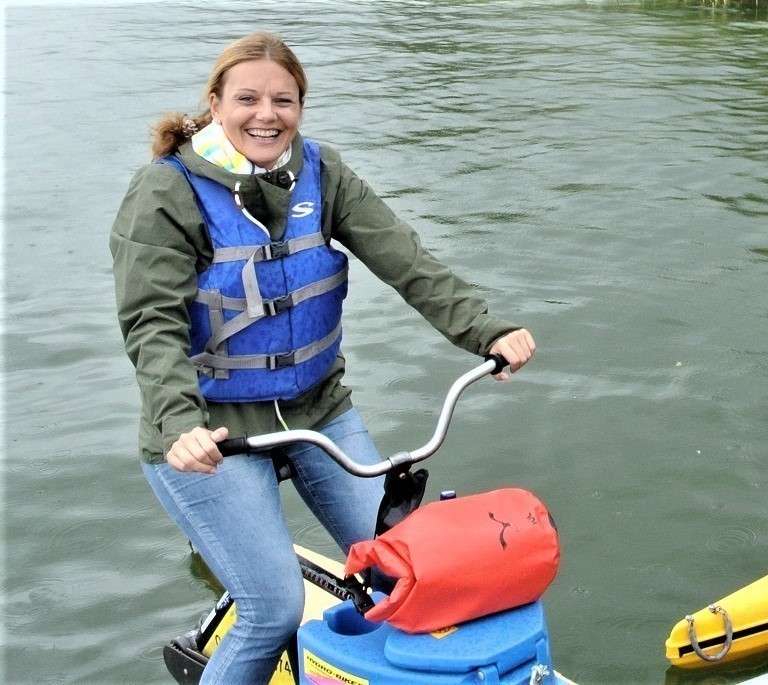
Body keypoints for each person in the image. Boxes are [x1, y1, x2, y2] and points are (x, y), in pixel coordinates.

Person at [110, 32, 535, 684]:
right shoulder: (165, 193)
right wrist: (177, 423)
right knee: (272, 606)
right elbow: (151, 323)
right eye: (247, 97)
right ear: (216, 103)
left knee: (406, 571)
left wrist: (486, 330)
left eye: (284, 99)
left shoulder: (323, 173)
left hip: (317, 410)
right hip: (211, 430)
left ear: (301, 107)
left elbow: (408, 260)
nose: (266, 114)